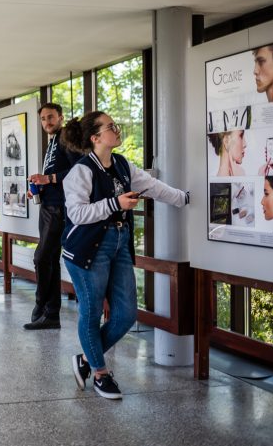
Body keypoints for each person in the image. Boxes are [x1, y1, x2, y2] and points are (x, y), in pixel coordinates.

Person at [60, 111, 189, 400]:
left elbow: (153, 187)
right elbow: (77, 214)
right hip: (85, 250)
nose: (117, 130)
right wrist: (114, 203)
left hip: (118, 245)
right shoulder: (80, 171)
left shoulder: (122, 164)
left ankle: (84, 360)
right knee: (91, 312)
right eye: (111, 127)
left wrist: (185, 198)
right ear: (96, 138)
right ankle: (100, 374)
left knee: (126, 313)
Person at [24, 103, 80, 330]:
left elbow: (80, 170)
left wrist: (50, 179)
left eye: (50, 117)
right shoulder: (54, 141)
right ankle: (51, 313)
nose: (46, 122)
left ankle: (42, 306)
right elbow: (55, 174)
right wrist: (39, 185)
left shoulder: (65, 137)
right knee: (49, 260)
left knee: (42, 258)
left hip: (59, 208)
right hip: (48, 205)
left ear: (60, 117)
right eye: (43, 119)